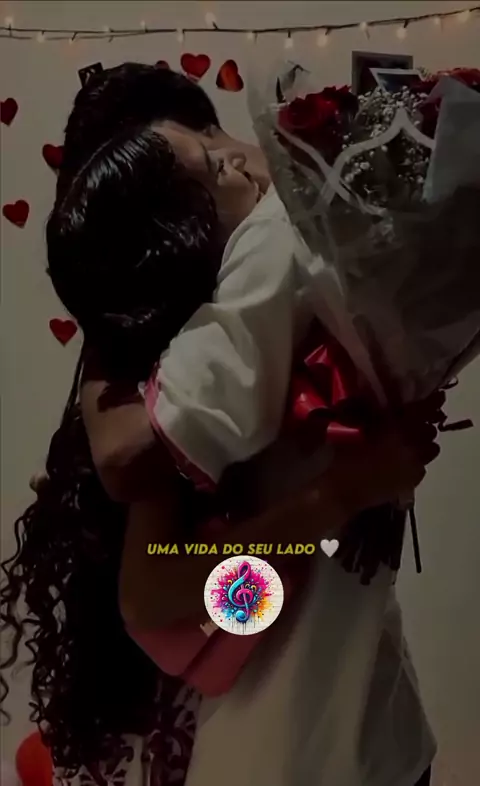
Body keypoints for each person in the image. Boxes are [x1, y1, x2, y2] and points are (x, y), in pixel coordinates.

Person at [3, 65, 436, 785]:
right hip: (285, 748)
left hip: (381, 724)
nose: (239, 156)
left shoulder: (307, 277)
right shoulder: (191, 363)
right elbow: (152, 594)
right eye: (205, 164)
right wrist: (334, 502)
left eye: (213, 133)